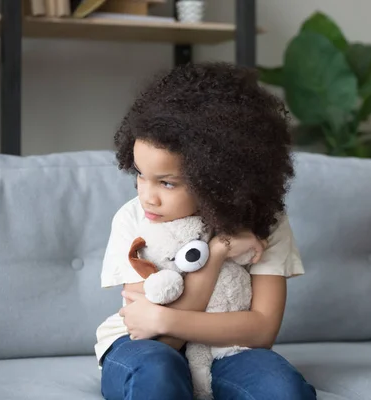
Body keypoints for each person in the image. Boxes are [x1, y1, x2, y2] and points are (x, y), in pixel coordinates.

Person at [94, 62, 317, 400]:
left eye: (167, 183)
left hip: (230, 351)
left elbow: (261, 330)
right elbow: (157, 339)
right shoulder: (132, 219)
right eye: (140, 175)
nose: (147, 196)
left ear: (219, 180)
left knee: (282, 390)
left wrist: (163, 318)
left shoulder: (265, 221)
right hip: (141, 349)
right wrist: (217, 254)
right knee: (156, 374)